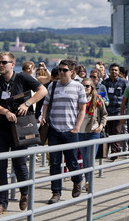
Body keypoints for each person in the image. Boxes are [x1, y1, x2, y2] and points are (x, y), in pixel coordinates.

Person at [0, 52, 47, 215]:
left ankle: (24, 193)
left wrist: (27, 103)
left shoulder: (22, 78)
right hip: (1, 127)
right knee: (0, 166)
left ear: (13, 64)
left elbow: (43, 91)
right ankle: (1, 203)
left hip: (20, 127)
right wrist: (5, 111)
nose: (1, 65)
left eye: (4, 62)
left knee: (19, 164)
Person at [41, 59, 87, 204]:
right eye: (60, 69)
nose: (61, 72)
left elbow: (82, 109)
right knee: (54, 163)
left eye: (64, 70)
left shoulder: (79, 87)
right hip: (54, 129)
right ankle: (56, 192)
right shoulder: (53, 86)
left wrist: (77, 128)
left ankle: (77, 180)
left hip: (70, 131)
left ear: (72, 72)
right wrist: (43, 117)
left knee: (72, 161)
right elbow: (46, 104)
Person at [78, 78, 107, 192]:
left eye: (87, 86)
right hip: (81, 132)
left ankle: (89, 182)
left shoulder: (97, 99)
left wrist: (100, 126)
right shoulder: (77, 99)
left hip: (93, 132)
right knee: (85, 159)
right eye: (83, 86)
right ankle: (86, 180)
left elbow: (104, 114)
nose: (85, 88)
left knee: (90, 159)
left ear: (92, 88)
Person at [102, 63, 127, 157]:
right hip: (107, 111)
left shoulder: (123, 82)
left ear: (118, 71)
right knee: (107, 132)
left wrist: (125, 110)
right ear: (109, 71)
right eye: (112, 70)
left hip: (118, 111)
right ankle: (105, 152)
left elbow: (126, 96)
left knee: (116, 131)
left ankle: (115, 152)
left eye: (116, 70)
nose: (114, 72)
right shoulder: (105, 82)